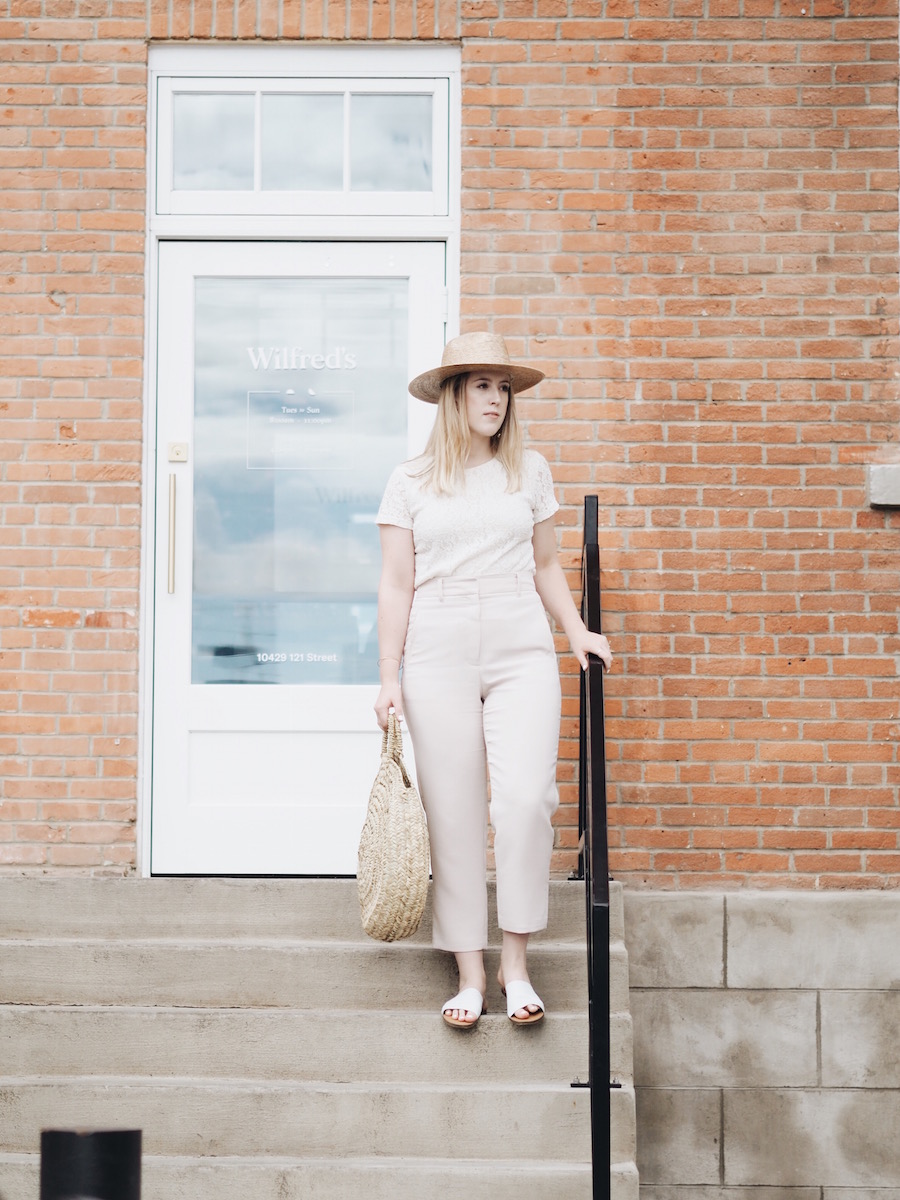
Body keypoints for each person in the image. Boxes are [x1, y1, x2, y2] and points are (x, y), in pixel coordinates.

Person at [374, 332, 612, 1029]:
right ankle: (470, 975)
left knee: (524, 798)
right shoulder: (410, 479)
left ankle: (517, 964)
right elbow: (396, 582)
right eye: (482, 386)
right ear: (453, 395)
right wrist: (388, 675)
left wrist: (576, 631)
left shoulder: (528, 470)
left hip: (519, 641)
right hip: (437, 645)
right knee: (453, 813)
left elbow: (545, 565)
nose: (497, 400)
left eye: (503, 388)